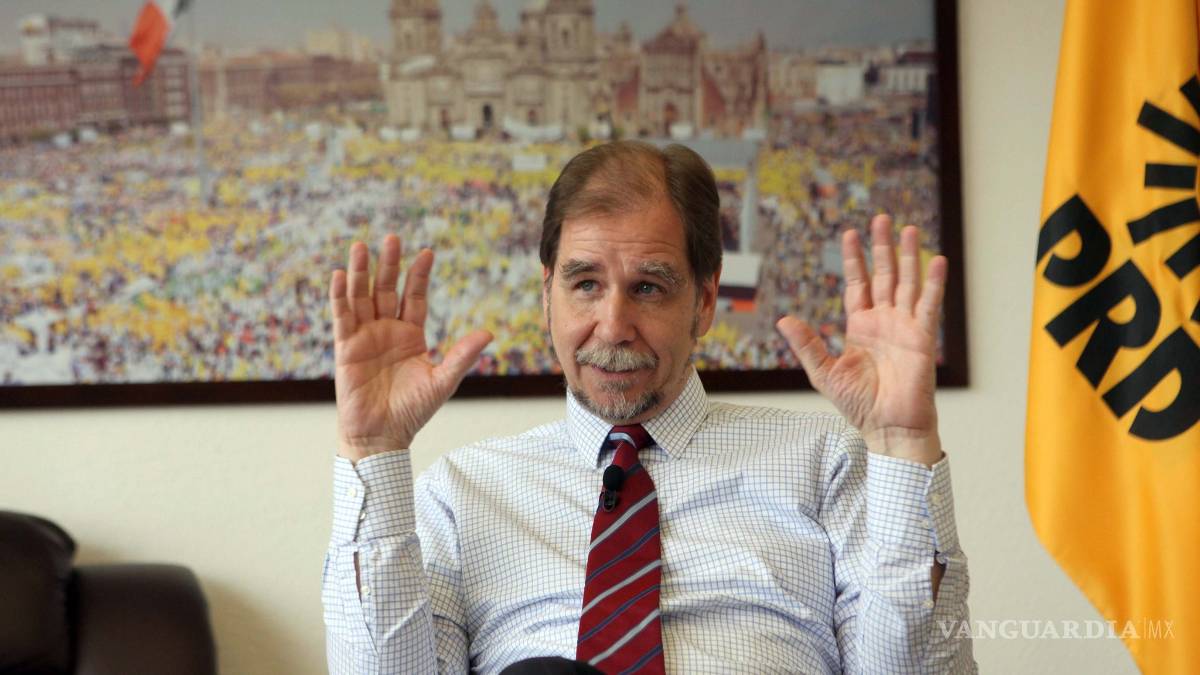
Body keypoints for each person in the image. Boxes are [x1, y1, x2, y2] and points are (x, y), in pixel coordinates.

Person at [322, 141, 975, 674]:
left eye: (649, 288)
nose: (613, 326)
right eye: (585, 285)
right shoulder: (461, 493)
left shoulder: (825, 465)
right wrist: (373, 453)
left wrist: (902, 444)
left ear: (705, 302)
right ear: (547, 295)